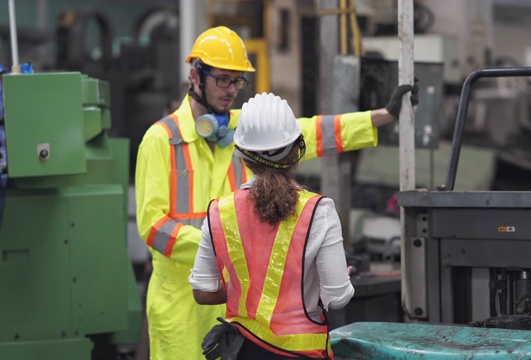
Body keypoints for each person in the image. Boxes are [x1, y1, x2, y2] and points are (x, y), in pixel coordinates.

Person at [135, 25, 417, 360]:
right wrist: (228, 243)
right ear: (196, 76)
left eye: (237, 80)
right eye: (222, 79)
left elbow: (308, 132)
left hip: (242, 310)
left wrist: (378, 118)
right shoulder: (161, 139)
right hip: (181, 307)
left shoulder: (245, 131)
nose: (231, 90)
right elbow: (153, 225)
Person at [190, 92, 353, 359]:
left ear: (243, 157)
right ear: (296, 153)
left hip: (243, 351)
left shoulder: (218, 212)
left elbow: (203, 291)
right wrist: (325, 287)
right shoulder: (319, 211)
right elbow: (337, 297)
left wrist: (245, 292)